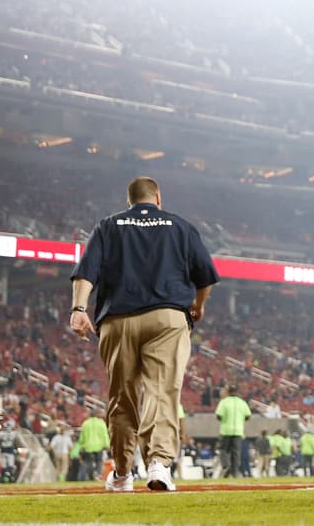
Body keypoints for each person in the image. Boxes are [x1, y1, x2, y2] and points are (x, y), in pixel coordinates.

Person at [70, 175, 218, 493]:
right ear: (158, 198)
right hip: (166, 318)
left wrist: (79, 310)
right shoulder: (180, 227)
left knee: (122, 397)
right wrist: (199, 305)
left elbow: (86, 272)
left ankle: (122, 473)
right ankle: (159, 465)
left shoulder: (108, 226)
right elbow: (205, 275)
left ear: (130, 201)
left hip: (117, 319)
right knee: (162, 392)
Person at [215, 385, 251, 478]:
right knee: (236, 453)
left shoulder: (224, 402)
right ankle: (235, 473)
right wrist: (240, 419)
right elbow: (248, 416)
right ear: (237, 391)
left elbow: (218, 415)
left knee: (222, 450)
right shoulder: (242, 402)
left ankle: (226, 466)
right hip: (238, 431)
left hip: (226, 430)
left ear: (229, 392)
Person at [77, 410, 109, 483]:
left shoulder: (85, 423)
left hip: (88, 446)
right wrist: (107, 444)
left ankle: (91, 476)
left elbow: (82, 436)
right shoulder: (101, 423)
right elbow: (105, 434)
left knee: (89, 462)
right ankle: (97, 474)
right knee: (99, 461)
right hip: (99, 445)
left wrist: (82, 444)